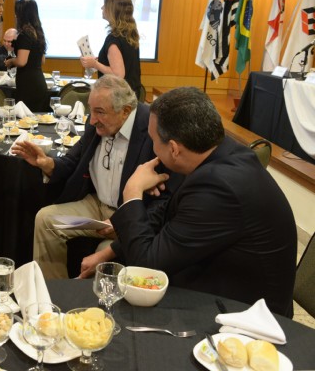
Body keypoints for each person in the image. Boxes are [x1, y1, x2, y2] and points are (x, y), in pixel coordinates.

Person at [85, 87, 296, 317]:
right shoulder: (218, 153)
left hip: (247, 314)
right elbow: (172, 212)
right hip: (219, 278)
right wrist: (111, 251)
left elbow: (146, 264)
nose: (152, 148)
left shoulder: (219, 187)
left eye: (153, 140)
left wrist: (132, 193)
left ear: (174, 149)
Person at [12, 75, 170, 280]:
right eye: (91, 110)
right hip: (96, 206)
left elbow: (164, 201)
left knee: (104, 258)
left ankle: (89, 300)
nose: (92, 119)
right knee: (46, 220)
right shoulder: (96, 123)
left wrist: (121, 221)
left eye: (100, 112)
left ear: (125, 111)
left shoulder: (152, 128)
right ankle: (54, 292)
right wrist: (48, 164)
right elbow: (73, 160)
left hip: (130, 215)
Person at [80, 0, 142, 99]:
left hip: (118, 98)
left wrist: (95, 64)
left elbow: (118, 75)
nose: (101, 7)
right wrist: (101, 60)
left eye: (104, 5)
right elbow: (126, 62)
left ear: (112, 10)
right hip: (132, 94)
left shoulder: (114, 38)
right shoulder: (129, 34)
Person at [5, 0, 48, 111]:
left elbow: (21, 61)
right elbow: (42, 60)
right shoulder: (38, 33)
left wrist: (11, 61)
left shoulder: (24, 35)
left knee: (24, 118)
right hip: (39, 81)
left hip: (28, 84)